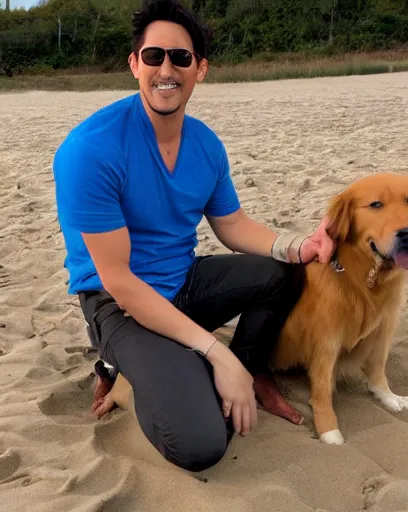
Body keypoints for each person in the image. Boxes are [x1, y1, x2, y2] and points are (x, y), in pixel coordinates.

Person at [53, 0, 335, 473]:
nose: (167, 69)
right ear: (134, 65)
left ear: (200, 69)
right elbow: (119, 280)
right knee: (201, 443)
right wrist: (213, 352)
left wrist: (297, 246)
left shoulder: (205, 144)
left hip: (183, 280)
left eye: (180, 58)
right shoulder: (91, 150)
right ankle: (124, 375)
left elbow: (232, 226)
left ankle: (250, 368)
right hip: (119, 303)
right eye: (154, 56)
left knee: (286, 273)